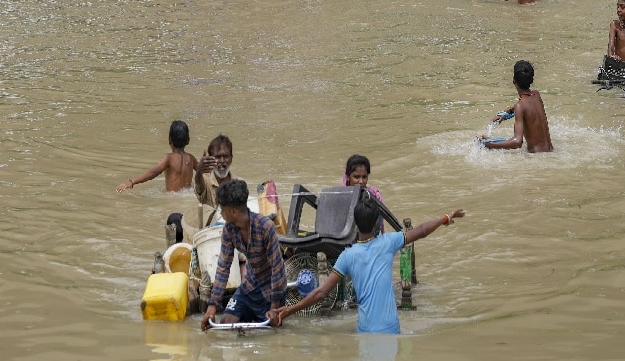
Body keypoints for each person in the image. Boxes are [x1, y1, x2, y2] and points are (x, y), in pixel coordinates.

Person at [269, 198, 467, 333]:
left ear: (355, 224)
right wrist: (446, 218)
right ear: (376, 224)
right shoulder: (388, 243)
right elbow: (422, 230)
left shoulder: (347, 256)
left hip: (365, 331)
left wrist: (290, 310)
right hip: (390, 330)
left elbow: (321, 293)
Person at [200, 179, 286, 332]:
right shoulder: (229, 230)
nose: (221, 213)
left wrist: (274, 307)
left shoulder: (266, 227)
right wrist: (212, 307)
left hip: (271, 291)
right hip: (249, 287)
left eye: (222, 209)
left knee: (269, 332)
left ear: (233, 211)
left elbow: (277, 270)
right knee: (226, 324)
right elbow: (223, 267)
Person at [478, 60, 554, 152]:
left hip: (537, 158)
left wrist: (489, 144)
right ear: (532, 80)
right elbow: (529, 109)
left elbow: (517, 142)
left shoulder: (520, 106)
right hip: (551, 152)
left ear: (514, 81)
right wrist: (508, 112)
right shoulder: (537, 95)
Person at [115, 120, 197, 193]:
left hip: (172, 198)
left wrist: (132, 182)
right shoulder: (191, 158)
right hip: (188, 196)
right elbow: (204, 170)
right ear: (188, 141)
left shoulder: (168, 158)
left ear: (169, 140)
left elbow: (154, 172)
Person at [193, 134, 239, 213]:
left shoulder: (237, 183)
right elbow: (199, 186)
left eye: (226, 156)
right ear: (210, 159)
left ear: (231, 158)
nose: (222, 160)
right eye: (217, 157)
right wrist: (199, 170)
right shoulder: (205, 179)